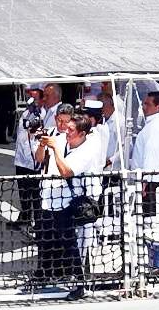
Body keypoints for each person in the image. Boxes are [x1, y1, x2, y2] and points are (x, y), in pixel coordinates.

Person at [35, 115, 99, 298]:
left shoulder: (87, 151)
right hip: (48, 198)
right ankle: (43, 276)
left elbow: (66, 171)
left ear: (82, 134)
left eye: (71, 130)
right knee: (44, 240)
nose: (66, 132)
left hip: (68, 203)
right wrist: (42, 145)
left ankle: (79, 284)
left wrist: (55, 149)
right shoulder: (61, 138)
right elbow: (39, 159)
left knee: (69, 245)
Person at [130, 91, 159, 212]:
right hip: (153, 180)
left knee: (149, 217)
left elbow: (151, 155)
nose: (144, 107)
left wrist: (144, 181)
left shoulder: (156, 126)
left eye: (148, 104)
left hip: (151, 183)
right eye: (144, 103)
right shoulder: (158, 123)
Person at [11, 86, 45, 230]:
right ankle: (25, 216)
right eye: (30, 98)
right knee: (23, 191)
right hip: (21, 159)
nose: (32, 101)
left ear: (41, 100)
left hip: (33, 160)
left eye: (35, 98)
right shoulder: (26, 113)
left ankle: (38, 222)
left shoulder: (42, 115)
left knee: (35, 194)